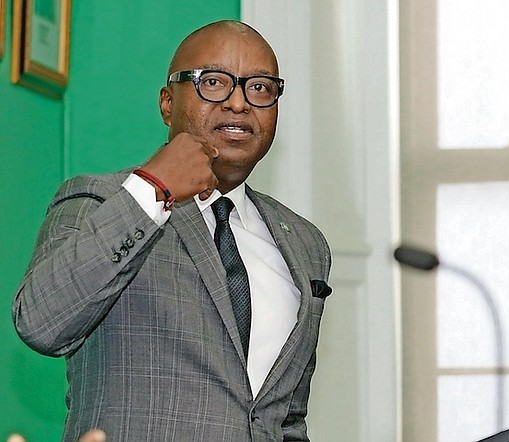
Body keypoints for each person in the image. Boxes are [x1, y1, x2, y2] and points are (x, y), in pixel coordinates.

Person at [12, 20, 332, 442]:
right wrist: (153, 189)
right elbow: (41, 323)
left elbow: (286, 418)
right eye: (213, 82)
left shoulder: (305, 244)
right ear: (167, 103)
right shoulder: (100, 202)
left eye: (260, 88)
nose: (238, 103)